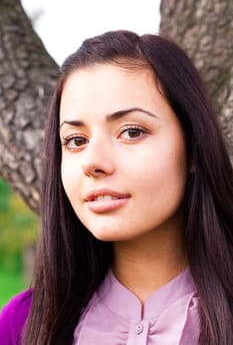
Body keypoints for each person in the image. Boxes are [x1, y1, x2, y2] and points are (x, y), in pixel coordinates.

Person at [0, 30, 233, 345]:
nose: (92, 162)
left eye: (132, 132)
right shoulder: (20, 325)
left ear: (193, 147)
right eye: (76, 140)